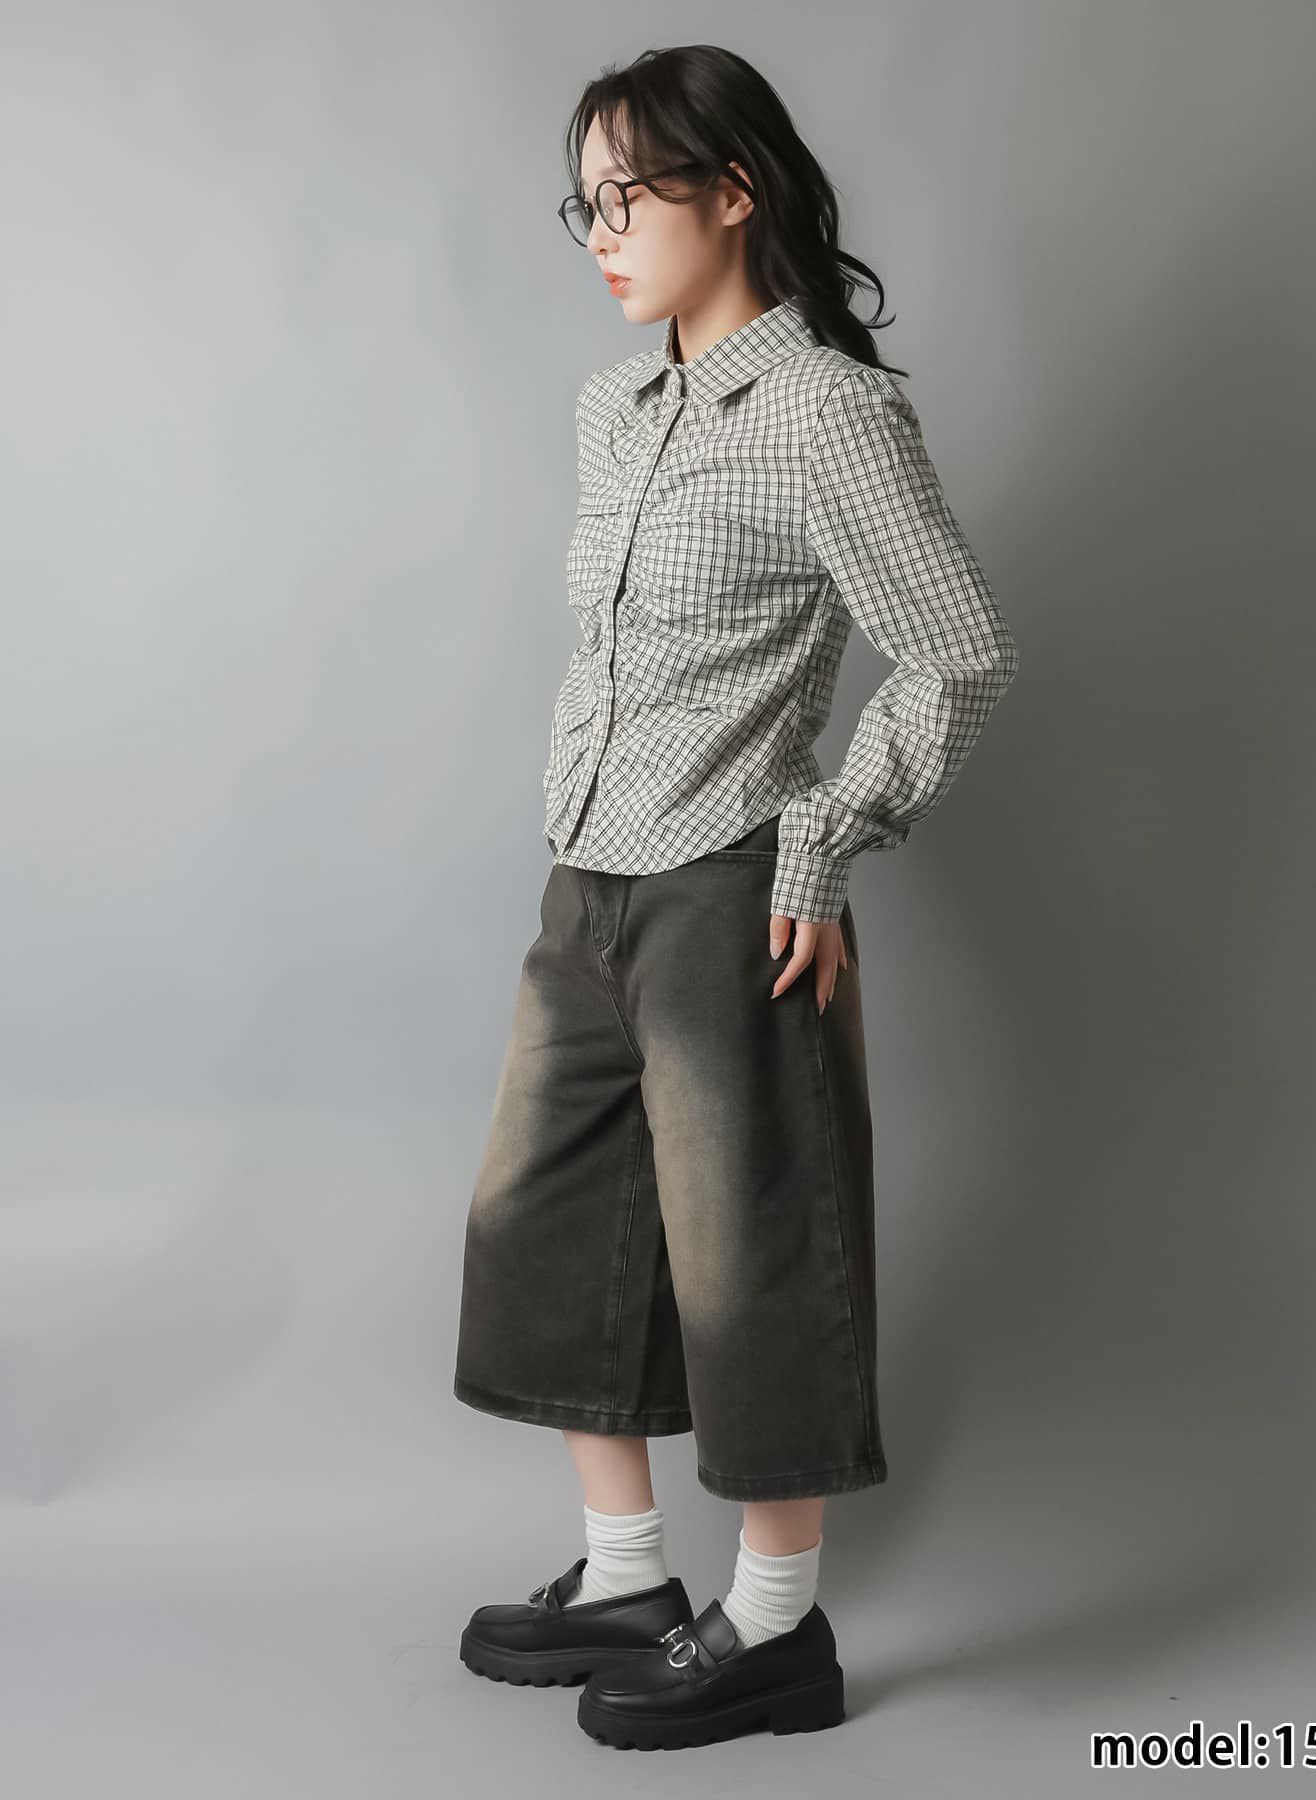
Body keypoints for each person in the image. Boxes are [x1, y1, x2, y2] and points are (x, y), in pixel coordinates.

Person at [453, 45, 1019, 1751]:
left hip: (731, 887)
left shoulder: (829, 413)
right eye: (584, 204)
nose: (601, 234)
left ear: (734, 190)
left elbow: (958, 651)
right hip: (590, 875)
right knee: (547, 1228)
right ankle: (626, 1573)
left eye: (629, 196)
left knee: (753, 1252)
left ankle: (775, 1621)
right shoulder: (613, 411)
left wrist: (828, 835)